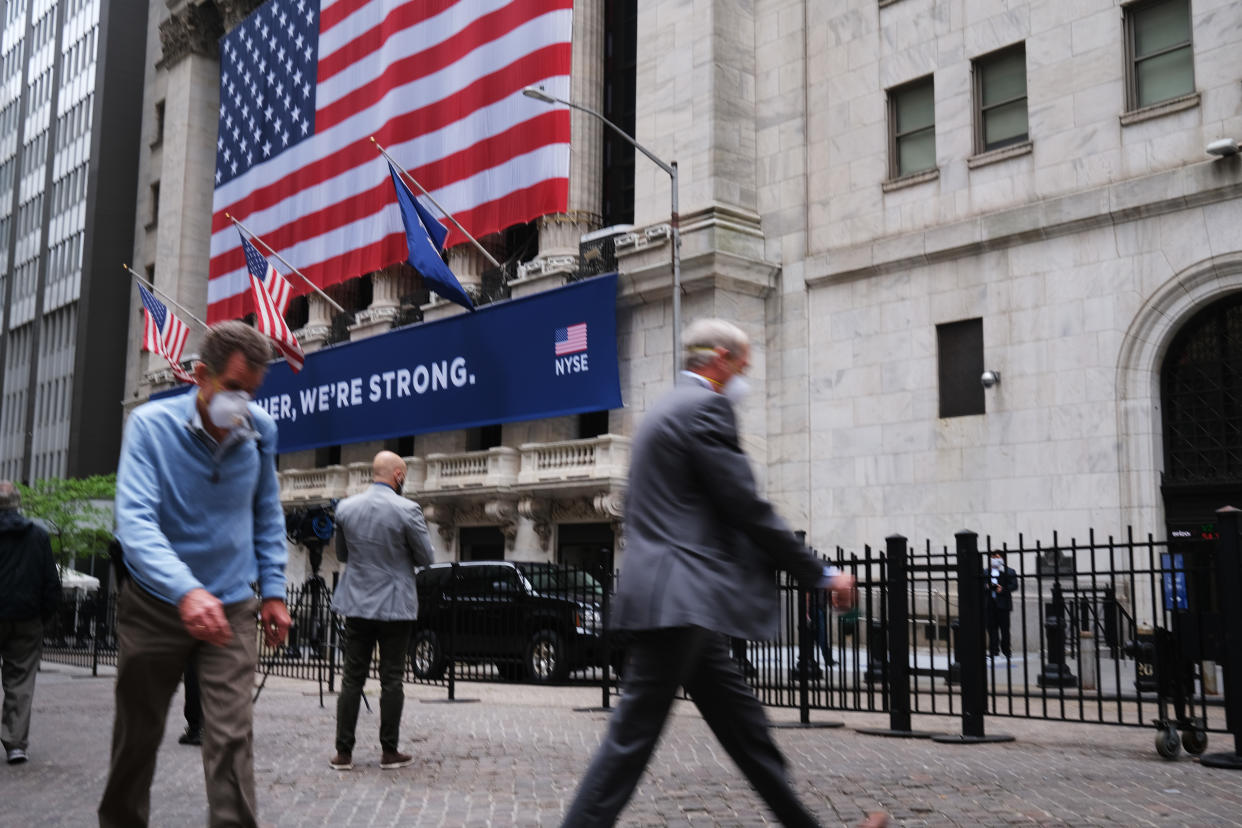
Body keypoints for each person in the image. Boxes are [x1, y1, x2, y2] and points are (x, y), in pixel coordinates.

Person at [561, 319, 884, 828]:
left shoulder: (661, 411)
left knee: (746, 731)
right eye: (742, 366)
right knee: (629, 743)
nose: (743, 378)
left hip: (678, 600)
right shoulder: (706, 409)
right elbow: (747, 508)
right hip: (680, 599)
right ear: (718, 359)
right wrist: (821, 576)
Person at [98, 321, 291, 827]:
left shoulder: (260, 431)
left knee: (230, 736)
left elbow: (267, 514)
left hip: (230, 603)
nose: (242, 404)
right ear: (200, 376)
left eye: (252, 392)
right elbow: (135, 522)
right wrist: (185, 590)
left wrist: (273, 592)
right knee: (137, 734)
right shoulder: (149, 428)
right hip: (154, 604)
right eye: (233, 389)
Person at [329, 450, 435, 771]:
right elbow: (426, 558)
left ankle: (343, 753)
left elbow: (343, 554)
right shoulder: (408, 510)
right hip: (394, 606)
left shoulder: (346, 508)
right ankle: (389, 751)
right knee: (392, 679)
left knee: (351, 679)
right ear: (398, 476)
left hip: (358, 604)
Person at [0, 480, 60, 765]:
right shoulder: (38, 535)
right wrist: (44, 618)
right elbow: (51, 583)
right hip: (27, 618)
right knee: (21, 681)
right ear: (18, 502)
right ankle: (15, 743)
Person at [985, 550, 1019, 659]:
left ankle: (1006, 651)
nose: (995, 559)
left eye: (997, 557)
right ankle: (993, 650)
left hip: (1003, 605)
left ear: (1002, 559)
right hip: (990, 604)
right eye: (993, 557)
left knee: (1005, 629)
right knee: (991, 629)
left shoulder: (1009, 571)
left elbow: (1014, 585)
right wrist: (986, 586)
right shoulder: (986, 572)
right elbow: (980, 584)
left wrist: (1003, 589)